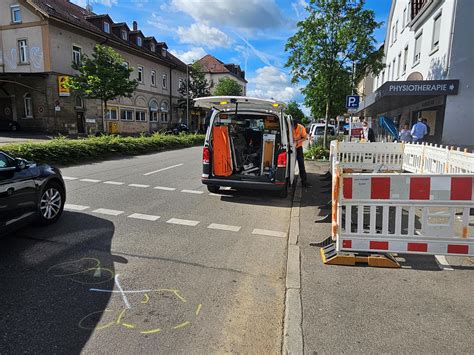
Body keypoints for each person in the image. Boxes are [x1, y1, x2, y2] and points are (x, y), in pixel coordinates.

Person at [292, 119, 311, 188]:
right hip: (290, 147)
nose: (293, 128)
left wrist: (298, 141)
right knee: (290, 164)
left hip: (298, 147)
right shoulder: (289, 126)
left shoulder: (301, 128)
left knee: (301, 163)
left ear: (296, 125)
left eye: (294, 126)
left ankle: (304, 182)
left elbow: (305, 137)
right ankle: (290, 179)